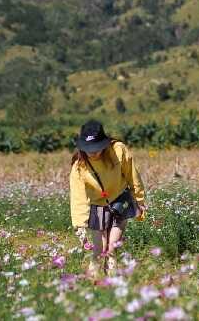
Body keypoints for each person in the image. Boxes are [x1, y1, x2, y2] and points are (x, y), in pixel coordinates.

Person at [69, 119, 146, 279]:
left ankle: (112, 285)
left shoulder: (118, 150)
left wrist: (139, 200)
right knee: (98, 251)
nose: (92, 153)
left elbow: (133, 175)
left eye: (96, 148)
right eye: (88, 149)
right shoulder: (78, 166)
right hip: (97, 207)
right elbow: (78, 198)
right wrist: (80, 226)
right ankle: (93, 286)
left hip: (120, 201)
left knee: (111, 249)